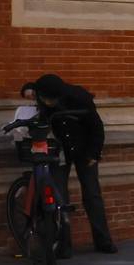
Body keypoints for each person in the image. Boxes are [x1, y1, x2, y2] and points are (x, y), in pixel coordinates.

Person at [26, 74, 118, 254]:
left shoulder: (79, 98)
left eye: (49, 100)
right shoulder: (44, 96)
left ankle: (103, 241)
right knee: (59, 196)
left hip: (84, 148)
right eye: (43, 99)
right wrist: (27, 89)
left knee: (92, 194)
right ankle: (63, 245)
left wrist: (94, 153)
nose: (47, 103)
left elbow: (96, 127)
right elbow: (33, 86)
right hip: (60, 149)